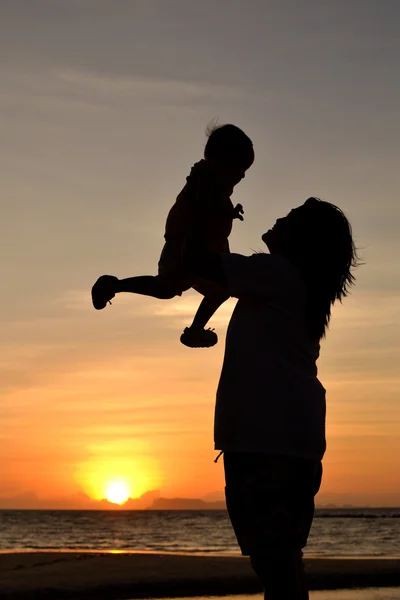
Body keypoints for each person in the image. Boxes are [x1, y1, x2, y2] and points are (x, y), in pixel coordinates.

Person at [186, 197, 360, 600]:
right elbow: (220, 276)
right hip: (293, 442)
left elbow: (200, 267)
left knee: (274, 567)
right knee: (284, 563)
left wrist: (199, 206)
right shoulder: (298, 286)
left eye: (291, 218)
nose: (279, 216)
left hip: (262, 440)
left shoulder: (277, 273)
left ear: (301, 240)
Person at [90, 123, 254, 348]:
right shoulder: (206, 182)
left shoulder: (210, 184)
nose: (243, 175)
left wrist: (229, 213)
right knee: (168, 288)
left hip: (200, 251)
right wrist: (193, 250)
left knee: (213, 289)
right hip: (189, 250)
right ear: (222, 161)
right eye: (240, 168)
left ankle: (194, 331)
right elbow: (199, 215)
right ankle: (114, 286)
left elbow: (208, 211)